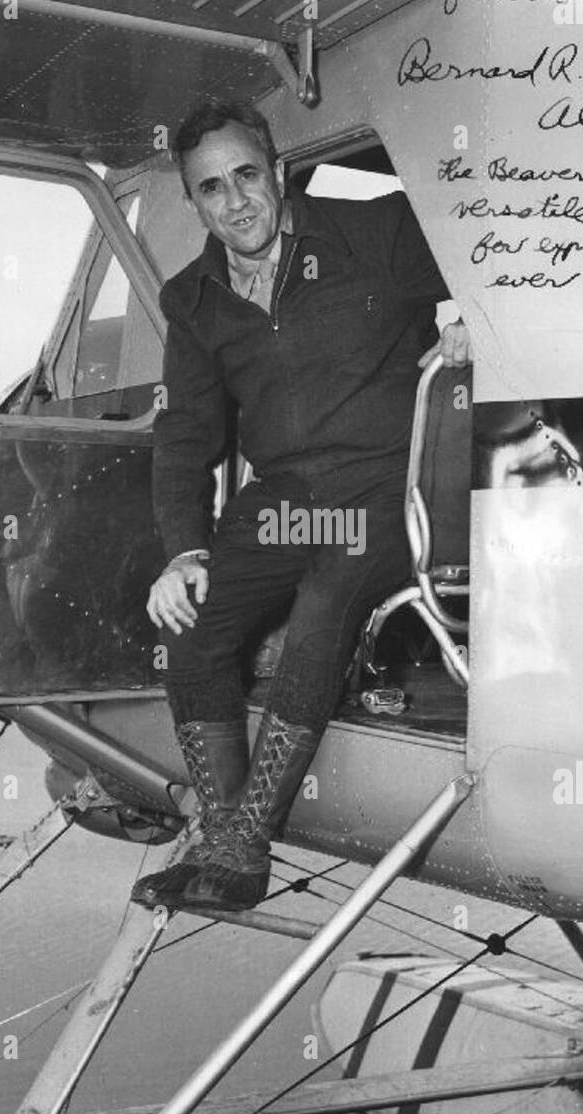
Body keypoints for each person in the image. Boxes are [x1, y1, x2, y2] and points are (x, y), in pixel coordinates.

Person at [133, 99, 470, 914]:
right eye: (210, 189)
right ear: (194, 202)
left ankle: (243, 847)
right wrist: (183, 551)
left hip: (390, 489)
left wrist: (471, 317)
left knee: (325, 605)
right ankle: (227, 844)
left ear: (279, 171)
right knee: (194, 633)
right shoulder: (194, 300)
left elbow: (493, 243)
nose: (235, 201)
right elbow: (185, 439)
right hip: (284, 502)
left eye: (247, 175)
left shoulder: (377, 234)